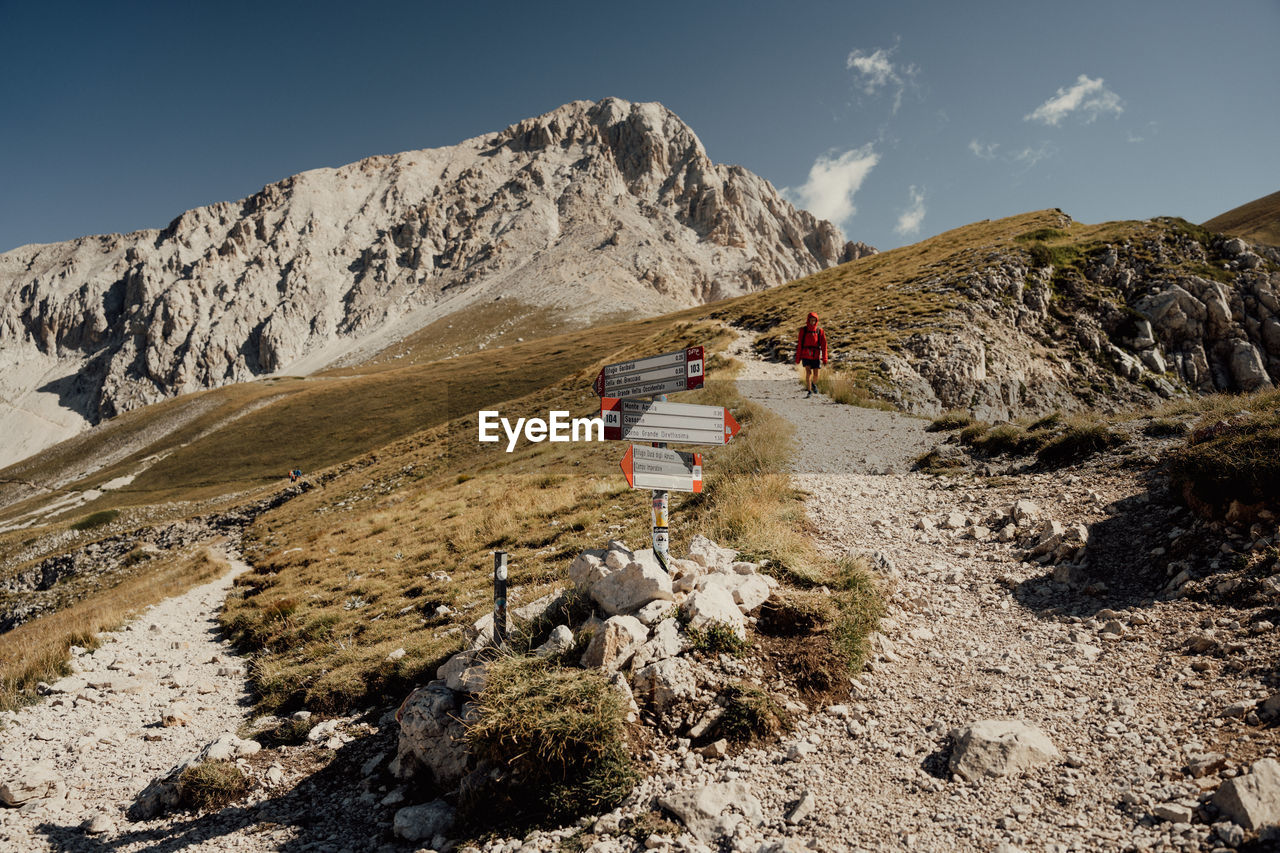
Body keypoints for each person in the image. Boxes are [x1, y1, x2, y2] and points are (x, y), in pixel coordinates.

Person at [794, 312, 828, 397]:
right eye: (811, 320)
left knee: (816, 374)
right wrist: (798, 358)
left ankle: (813, 384)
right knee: (808, 373)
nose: (812, 322)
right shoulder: (803, 330)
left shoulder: (820, 331)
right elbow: (800, 344)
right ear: (808, 320)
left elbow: (824, 346)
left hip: (816, 355)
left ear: (816, 321)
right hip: (805, 355)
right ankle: (809, 391)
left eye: (814, 320)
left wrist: (825, 358)